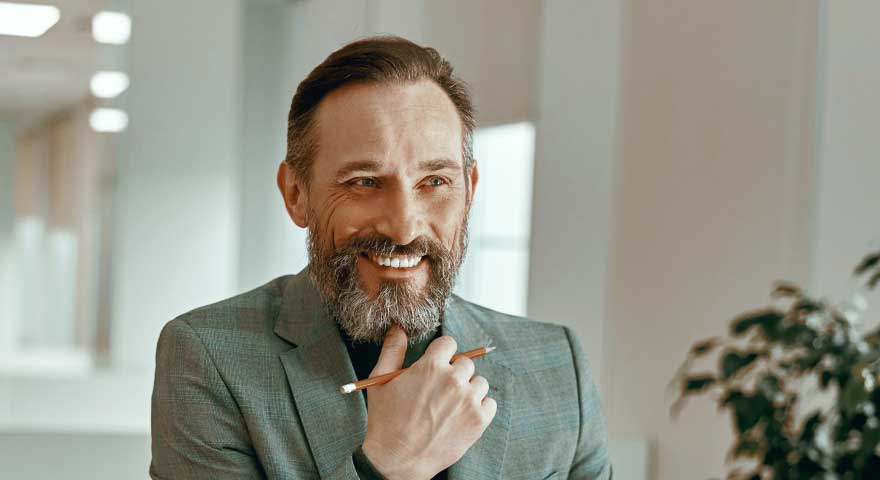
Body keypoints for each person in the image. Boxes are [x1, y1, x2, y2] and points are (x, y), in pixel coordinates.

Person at [150, 35, 611, 480]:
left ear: (469, 191)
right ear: (296, 194)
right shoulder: (208, 356)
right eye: (364, 182)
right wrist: (388, 466)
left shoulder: (558, 363)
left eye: (434, 182)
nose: (404, 227)